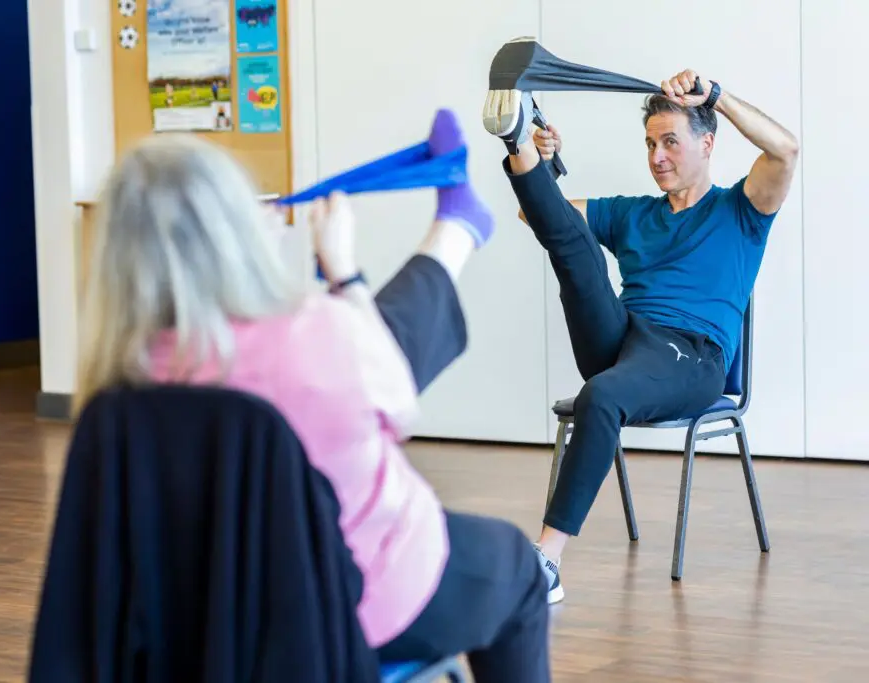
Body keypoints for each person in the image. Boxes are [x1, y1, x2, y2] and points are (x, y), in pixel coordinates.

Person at [74, 107, 552, 683]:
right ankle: (456, 230)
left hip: (195, 623)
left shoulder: (115, 390)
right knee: (521, 569)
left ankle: (456, 230)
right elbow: (400, 404)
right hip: (350, 609)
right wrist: (343, 274)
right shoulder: (316, 330)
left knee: (378, 339)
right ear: (234, 235)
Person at [482, 62, 800, 604]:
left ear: (708, 143)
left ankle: (547, 559)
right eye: (651, 144)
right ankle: (517, 139)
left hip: (692, 359)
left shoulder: (742, 211)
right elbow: (536, 215)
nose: (657, 157)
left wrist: (716, 95)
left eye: (671, 142)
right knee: (573, 249)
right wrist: (545, 161)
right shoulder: (634, 214)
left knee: (601, 395)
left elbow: (786, 150)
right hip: (621, 343)